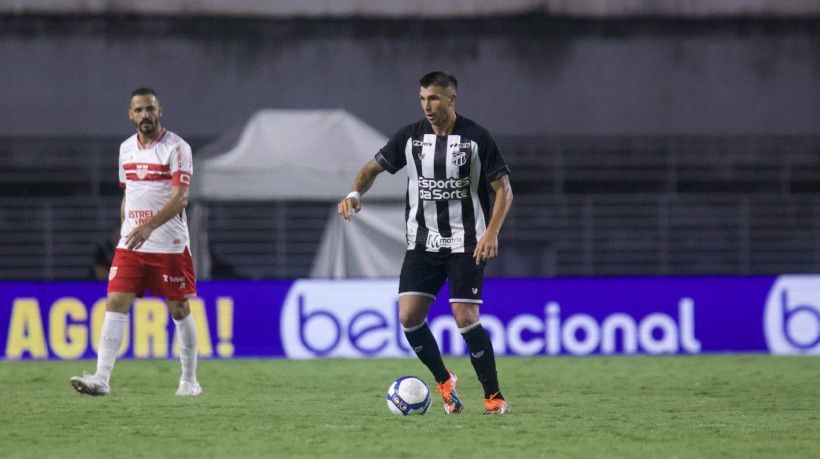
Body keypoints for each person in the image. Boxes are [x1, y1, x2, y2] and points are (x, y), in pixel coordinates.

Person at [338, 71, 513, 414]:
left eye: (434, 98)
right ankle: (444, 381)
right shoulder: (411, 138)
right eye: (422, 98)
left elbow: (503, 189)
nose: (427, 106)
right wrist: (354, 192)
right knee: (409, 316)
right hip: (422, 243)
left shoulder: (477, 139)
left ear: (451, 99)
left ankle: (493, 397)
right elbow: (372, 168)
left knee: (465, 318)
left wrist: (492, 231)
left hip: (467, 242)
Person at [71, 88, 201, 396]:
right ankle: (101, 378)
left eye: (150, 109)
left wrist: (148, 227)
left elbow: (181, 199)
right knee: (115, 303)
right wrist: (125, 230)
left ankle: (189, 381)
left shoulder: (177, 148)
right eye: (139, 110)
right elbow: (128, 193)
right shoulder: (125, 149)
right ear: (131, 114)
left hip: (168, 244)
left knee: (179, 309)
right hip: (132, 245)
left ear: (160, 111)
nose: (145, 115)